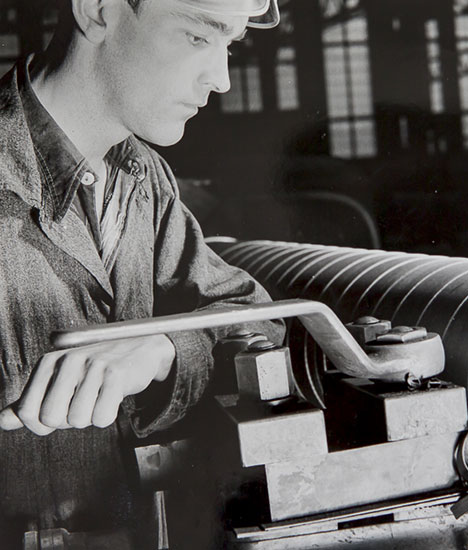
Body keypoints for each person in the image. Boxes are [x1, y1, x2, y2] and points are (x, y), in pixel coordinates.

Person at [0, 0, 283, 546]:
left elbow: (257, 320)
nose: (221, 79)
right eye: (199, 38)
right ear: (98, 10)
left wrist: (164, 346)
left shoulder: (141, 176)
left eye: (232, 44)